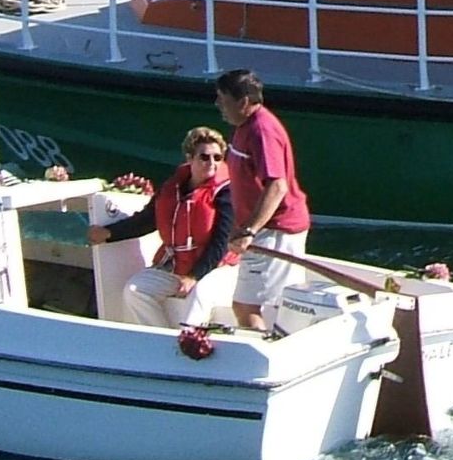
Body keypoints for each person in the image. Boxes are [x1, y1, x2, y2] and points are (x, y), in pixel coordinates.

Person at [89, 126, 238, 328]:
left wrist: (194, 276)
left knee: (198, 296)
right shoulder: (173, 187)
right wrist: (109, 233)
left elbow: (221, 243)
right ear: (190, 158)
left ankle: (189, 343)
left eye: (217, 157)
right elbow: (148, 219)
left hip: (218, 268)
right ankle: (163, 344)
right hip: (177, 266)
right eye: (204, 157)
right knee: (135, 290)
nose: (212, 163)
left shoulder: (226, 192)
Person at [214, 68, 313, 332]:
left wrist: (249, 230)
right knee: (269, 303)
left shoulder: (262, 131)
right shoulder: (244, 127)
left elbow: (277, 185)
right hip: (265, 229)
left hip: (275, 230)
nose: (218, 106)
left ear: (243, 102)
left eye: (223, 100)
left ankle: (261, 362)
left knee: (246, 307)